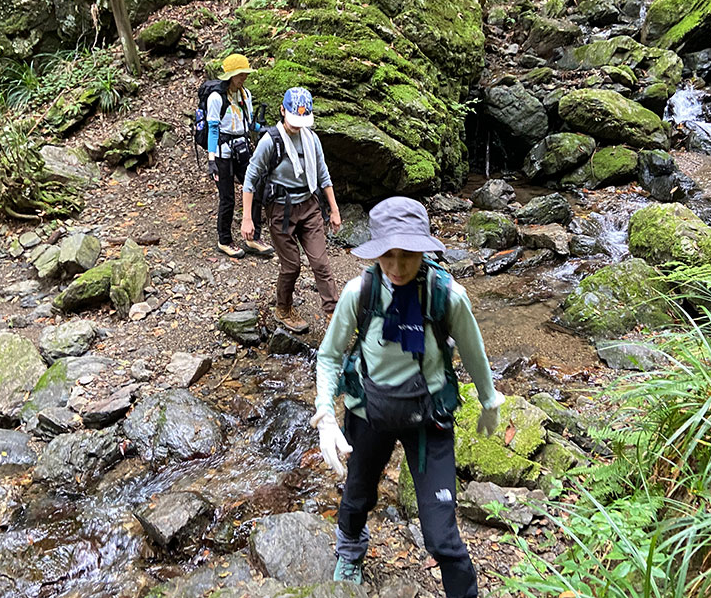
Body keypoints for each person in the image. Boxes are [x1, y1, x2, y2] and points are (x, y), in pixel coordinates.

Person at [311, 196, 506, 597]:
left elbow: (474, 351)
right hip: (368, 412)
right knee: (356, 497)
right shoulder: (358, 293)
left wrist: (490, 400)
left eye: (408, 256)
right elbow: (329, 355)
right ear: (376, 252)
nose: (398, 268)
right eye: (388, 256)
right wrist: (326, 417)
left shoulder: (447, 295)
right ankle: (350, 551)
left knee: (442, 537)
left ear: (424, 250)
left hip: (429, 418)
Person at [241, 87, 341, 334]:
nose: (298, 126)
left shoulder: (312, 139)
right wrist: (246, 219)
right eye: (294, 120)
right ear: (282, 110)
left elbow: (323, 174)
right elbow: (250, 179)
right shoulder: (270, 141)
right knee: (292, 265)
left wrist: (334, 210)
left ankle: (333, 313)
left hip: (309, 205)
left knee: (320, 262)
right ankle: (283, 307)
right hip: (280, 210)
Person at [206, 53, 274, 259]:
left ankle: (253, 237)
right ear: (230, 75)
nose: (244, 77)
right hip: (222, 153)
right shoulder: (216, 98)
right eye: (240, 74)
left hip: (242, 149)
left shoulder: (246, 95)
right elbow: (213, 129)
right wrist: (211, 160)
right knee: (227, 198)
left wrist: (261, 127)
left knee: (254, 189)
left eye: (245, 73)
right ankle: (224, 240)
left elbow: (249, 124)